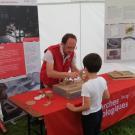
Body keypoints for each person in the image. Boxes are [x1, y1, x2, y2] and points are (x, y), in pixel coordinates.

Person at [67, 53, 110, 135]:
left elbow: (87, 106)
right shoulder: (102, 79)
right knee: (97, 132)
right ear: (99, 67)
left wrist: (73, 108)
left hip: (89, 116)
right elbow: (107, 96)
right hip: (99, 112)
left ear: (85, 68)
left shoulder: (86, 86)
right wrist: (96, 98)